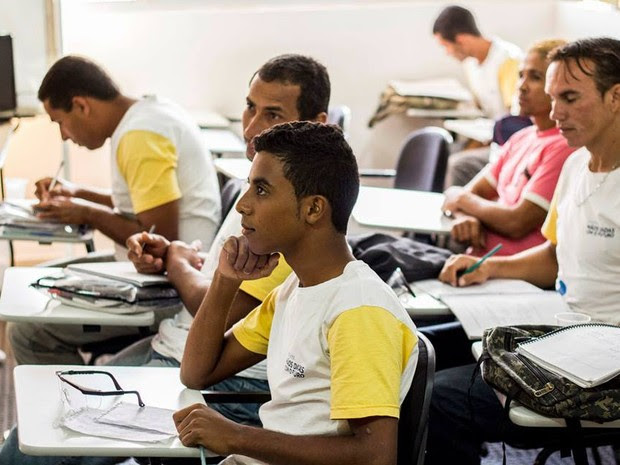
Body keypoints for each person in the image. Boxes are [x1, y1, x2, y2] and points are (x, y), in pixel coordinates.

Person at [0, 54, 332, 465]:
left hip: (219, 377)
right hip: (187, 348)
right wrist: (185, 258)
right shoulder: (264, 182)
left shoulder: (291, 211)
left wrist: (177, 258)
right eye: (249, 107)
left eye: (272, 114)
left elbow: (223, 316)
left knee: (34, 439)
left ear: (316, 124)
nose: (250, 127)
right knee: (47, 413)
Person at [174, 121, 419, 465]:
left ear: (313, 209)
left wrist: (237, 436)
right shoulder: (295, 289)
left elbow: (375, 456)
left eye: (261, 190)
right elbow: (197, 372)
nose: (243, 205)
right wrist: (226, 280)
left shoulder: (358, 310)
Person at [425, 37, 620, 465]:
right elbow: (553, 258)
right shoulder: (575, 165)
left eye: (569, 98)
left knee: (438, 396)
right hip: (564, 330)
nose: (555, 114)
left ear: (616, 97)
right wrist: (489, 269)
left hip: (604, 364)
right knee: (417, 350)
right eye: (553, 99)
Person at [7, 55, 221, 366]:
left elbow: (158, 238)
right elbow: (143, 203)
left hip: (170, 288)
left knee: (27, 331)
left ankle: (72, 405)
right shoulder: (147, 114)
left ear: (82, 105)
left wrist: (87, 212)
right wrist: (78, 193)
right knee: (40, 279)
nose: (64, 135)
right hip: (154, 272)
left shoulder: (139, 137)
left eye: (60, 123)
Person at [442, 39, 575, 258]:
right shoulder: (521, 138)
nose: (521, 86)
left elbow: (516, 222)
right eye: (521, 75)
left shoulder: (562, 147)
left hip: (508, 273)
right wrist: (466, 217)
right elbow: (465, 192)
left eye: (535, 77)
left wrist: (464, 202)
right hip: (474, 262)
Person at [433, 5, 524, 187]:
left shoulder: (508, 60)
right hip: (487, 134)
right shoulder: (471, 65)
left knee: (457, 163)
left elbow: (515, 116)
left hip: (507, 139)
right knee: (440, 153)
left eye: (446, 46)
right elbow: (482, 108)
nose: (447, 53)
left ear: (461, 40)